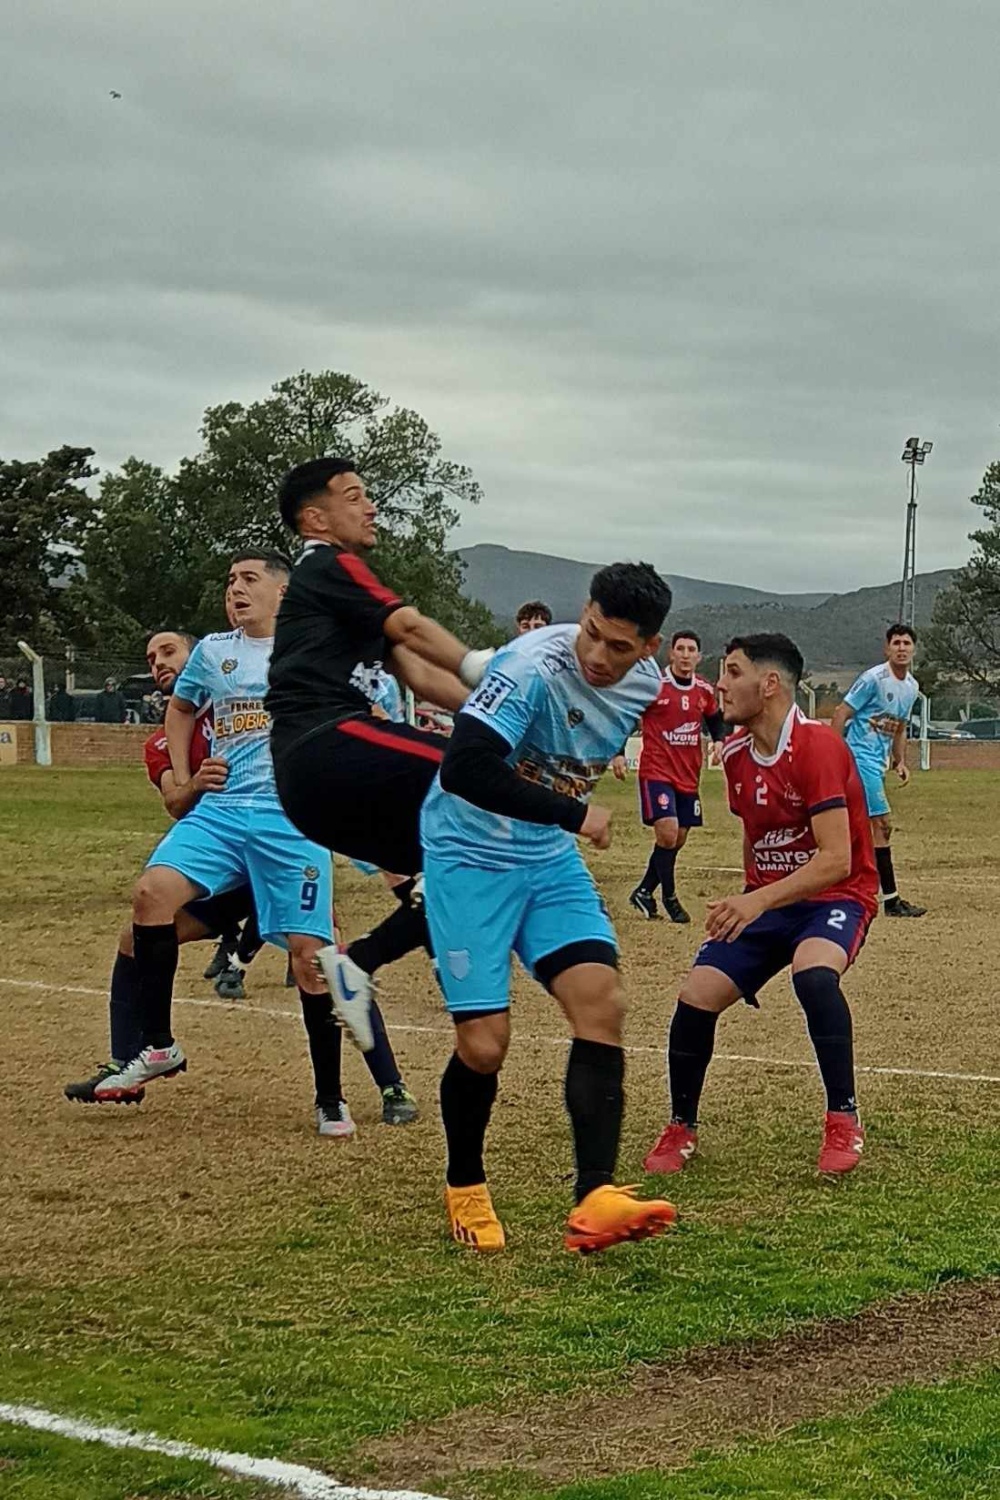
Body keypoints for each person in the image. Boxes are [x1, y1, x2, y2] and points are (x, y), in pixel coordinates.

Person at [92, 555, 417, 1133]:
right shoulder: (216, 652)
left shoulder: (321, 651)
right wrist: (191, 782)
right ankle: (157, 1045)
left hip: (291, 819)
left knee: (314, 961)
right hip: (221, 816)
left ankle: (337, 1096)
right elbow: (182, 708)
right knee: (149, 896)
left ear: (284, 593)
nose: (234, 591)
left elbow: (377, 714)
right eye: (229, 582)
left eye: (249, 580)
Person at [422, 562, 678, 1254]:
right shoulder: (531, 667)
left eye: (619, 648)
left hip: (544, 862)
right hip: (467, 857)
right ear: (583, 612)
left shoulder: (650, 686)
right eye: (592, 634)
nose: (598, 656)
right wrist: (574, 813)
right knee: (485, 1045)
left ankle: (595, 1196)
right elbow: (465, 768)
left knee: (602, 1002)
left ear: (648, 648)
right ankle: (465, 1184)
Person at [267, 456, 493, 1047]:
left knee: (466, 855)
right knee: (481, 785)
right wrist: (483, 666)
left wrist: (495, 709)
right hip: (323, 742)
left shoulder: (337, 596)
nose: (371, 508)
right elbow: (412, 629)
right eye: (355, 496)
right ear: (315, 518)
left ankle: (359, 962)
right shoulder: (329, 564)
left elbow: (417, 674)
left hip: (313, 787)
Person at [644, 633, 877, 1180]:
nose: (719, 684)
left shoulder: (818, 746)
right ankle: (681, 1126)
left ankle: (843, 1119)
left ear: (769, 685)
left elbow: (838, 859)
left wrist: (755, 901)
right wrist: (753, 903)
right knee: (695, 996)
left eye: (731, 671)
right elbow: (758, 834)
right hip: (768, 903)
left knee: (814, 976)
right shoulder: (733, 755)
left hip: (834, 896)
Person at [621, 629, 725, 924]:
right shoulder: (655, 686)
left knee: (677, 838)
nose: (685, 655)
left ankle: (643, 891)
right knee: (667, 833)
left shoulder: (704, 689)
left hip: (688, 775)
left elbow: (716, 719)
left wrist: (719, 740)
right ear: (671, 654)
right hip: (657, 771)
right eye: (680, 649)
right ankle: (669, 897)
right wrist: (618, 752)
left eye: (691, 650)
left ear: (698, 656)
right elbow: (628, 716)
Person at [831, 624, 925, 918]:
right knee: (881, 825)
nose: (901, 648)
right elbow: (841, 713)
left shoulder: (911, 687)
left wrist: (899, 761)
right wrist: (833, 755)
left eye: (906, 643)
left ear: (913, 649)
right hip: (858, 759)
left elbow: (899, 727)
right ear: (887, 648)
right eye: (896, 642)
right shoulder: (873, 678)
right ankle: (891, 899)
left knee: (856, 827)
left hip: (877, 764)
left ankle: (847, 887)